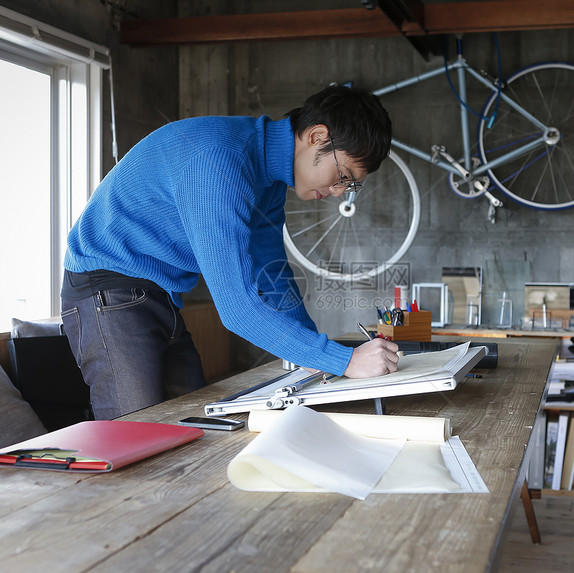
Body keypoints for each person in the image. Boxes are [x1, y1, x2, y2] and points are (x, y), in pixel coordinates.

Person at [61, 85, 400, 420]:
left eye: (351, 185)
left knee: (197, 428)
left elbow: (273, 278)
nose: (340, 191)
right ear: (317, 136)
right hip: (107, 290)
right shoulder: (222, 163)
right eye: (343, 176)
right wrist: (343, 360)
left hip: (160, 294)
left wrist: (315, 355)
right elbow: (238, 310)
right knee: (136, 435)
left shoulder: (267, 179)